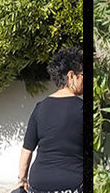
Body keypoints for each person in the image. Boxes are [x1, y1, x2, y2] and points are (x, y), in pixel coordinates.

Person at [17, 47, 83, 193]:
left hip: (39, 183)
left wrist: (22, 180)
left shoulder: (40, 108)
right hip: (73, 184)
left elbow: (27, 150)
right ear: (71, 76)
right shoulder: (82, 108)